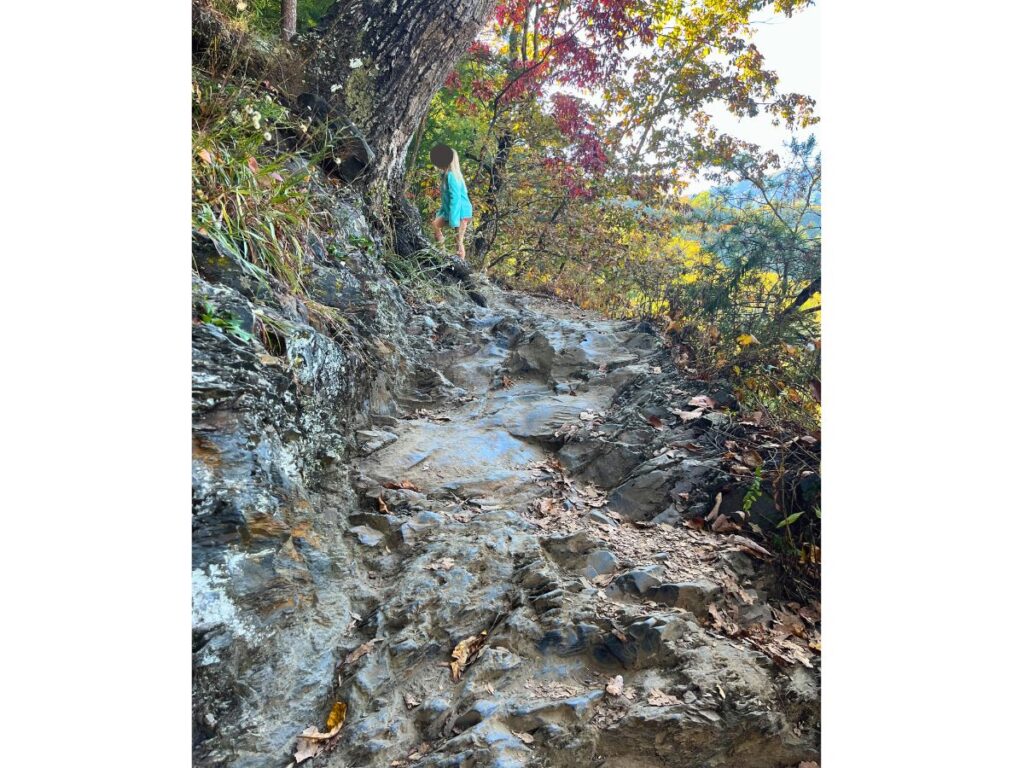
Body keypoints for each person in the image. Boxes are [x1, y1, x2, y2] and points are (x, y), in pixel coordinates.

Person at [431, 148, 473, 260]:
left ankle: (461, 265)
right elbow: (446, 200)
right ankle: (443, 254)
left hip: (461, 212)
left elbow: (456, 199)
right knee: (435, 225)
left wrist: (453, 220)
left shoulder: (452, 176)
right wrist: (442, 213)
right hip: (451, 211)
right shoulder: (445, 175)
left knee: (458, 241)